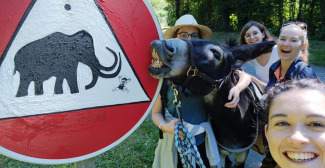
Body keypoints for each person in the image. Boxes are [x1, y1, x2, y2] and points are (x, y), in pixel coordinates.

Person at [151, 14, 252, 168]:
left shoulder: (207, 71)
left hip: (203, 142)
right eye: (183, 35)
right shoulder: (166, 75)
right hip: (173, 142)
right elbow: (156, 113)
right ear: (176, 38)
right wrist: (165, 127)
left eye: (194, 35)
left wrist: (237, 89)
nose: (189, 39)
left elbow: (242, 75)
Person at [260, 78, 325, 168]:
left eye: (316, 124)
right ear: (267, 134)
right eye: (282, 123)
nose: (296, 138)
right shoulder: (274, 68)